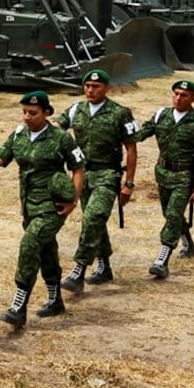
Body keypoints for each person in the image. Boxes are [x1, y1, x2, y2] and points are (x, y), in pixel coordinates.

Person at [0, 91, 84, 330]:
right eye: (24, 112)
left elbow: (78, 168)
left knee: (30, 245)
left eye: (33, 113)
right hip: (29, 205)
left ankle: (18, 306)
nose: (27, 117)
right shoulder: (20, 134)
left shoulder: (60, 138)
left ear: (46, 113)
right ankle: (55, 300)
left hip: (52, 205)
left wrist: (73, 201)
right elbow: (2, 156)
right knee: (46, 249)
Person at [56, 70, 139, 293]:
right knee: (96, 220)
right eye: (88, 86)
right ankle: (104, 267)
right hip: (82, 174)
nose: (91, 90)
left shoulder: (120, 113)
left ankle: (79, 269)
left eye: (96, 86)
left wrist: (129, 184)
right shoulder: (76, 109)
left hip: (107, 174)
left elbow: (131, 148)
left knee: (93, 217)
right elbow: (56, 128)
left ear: (107, 88)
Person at [137, 80, 194, 279]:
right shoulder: (161, 115)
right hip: (162, 172)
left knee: (174, 214)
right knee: (169, 213)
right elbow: (139, 134)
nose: (178, 98)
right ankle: (189, 244)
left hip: (184, 176)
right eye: (176, 94)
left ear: (193, 98)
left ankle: (162, 259)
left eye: (183, 95)